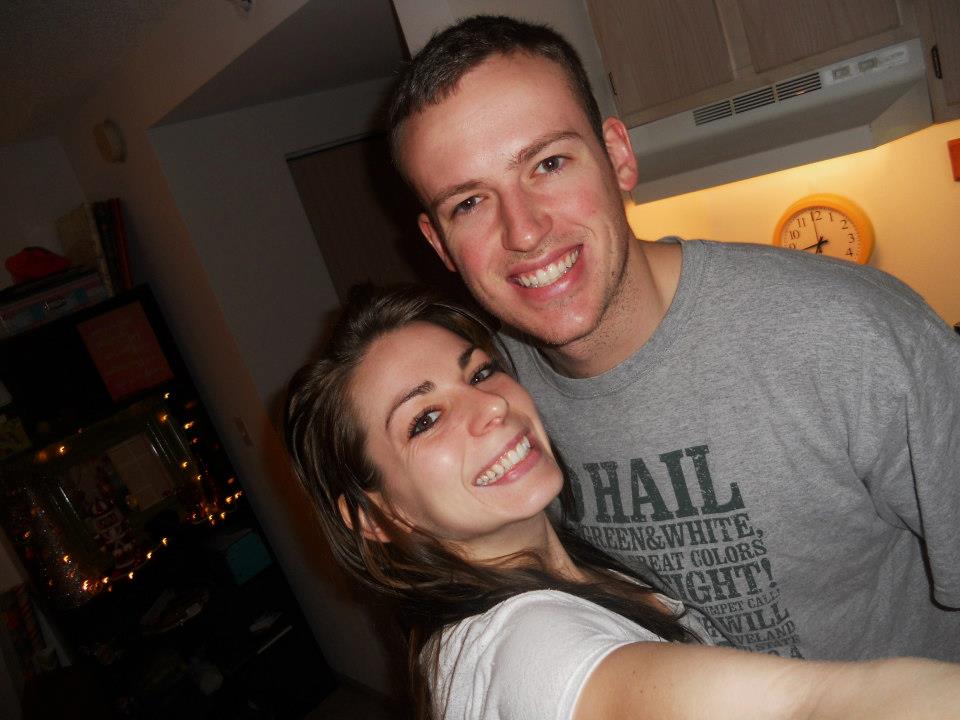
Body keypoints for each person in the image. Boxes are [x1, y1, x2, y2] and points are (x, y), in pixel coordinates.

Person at [385, 15, 960, 660]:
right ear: (439, 243)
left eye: (549, 163)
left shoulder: (855, 339)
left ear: (618, 157)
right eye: (469, 203)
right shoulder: (495, 401)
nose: (523, 231)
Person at [284, 283, 960, 720]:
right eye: (424, 420)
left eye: (481, 372)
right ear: (373, 516)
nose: (491, 407)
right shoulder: (524, 647)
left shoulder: (560, 567)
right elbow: (805, 708)